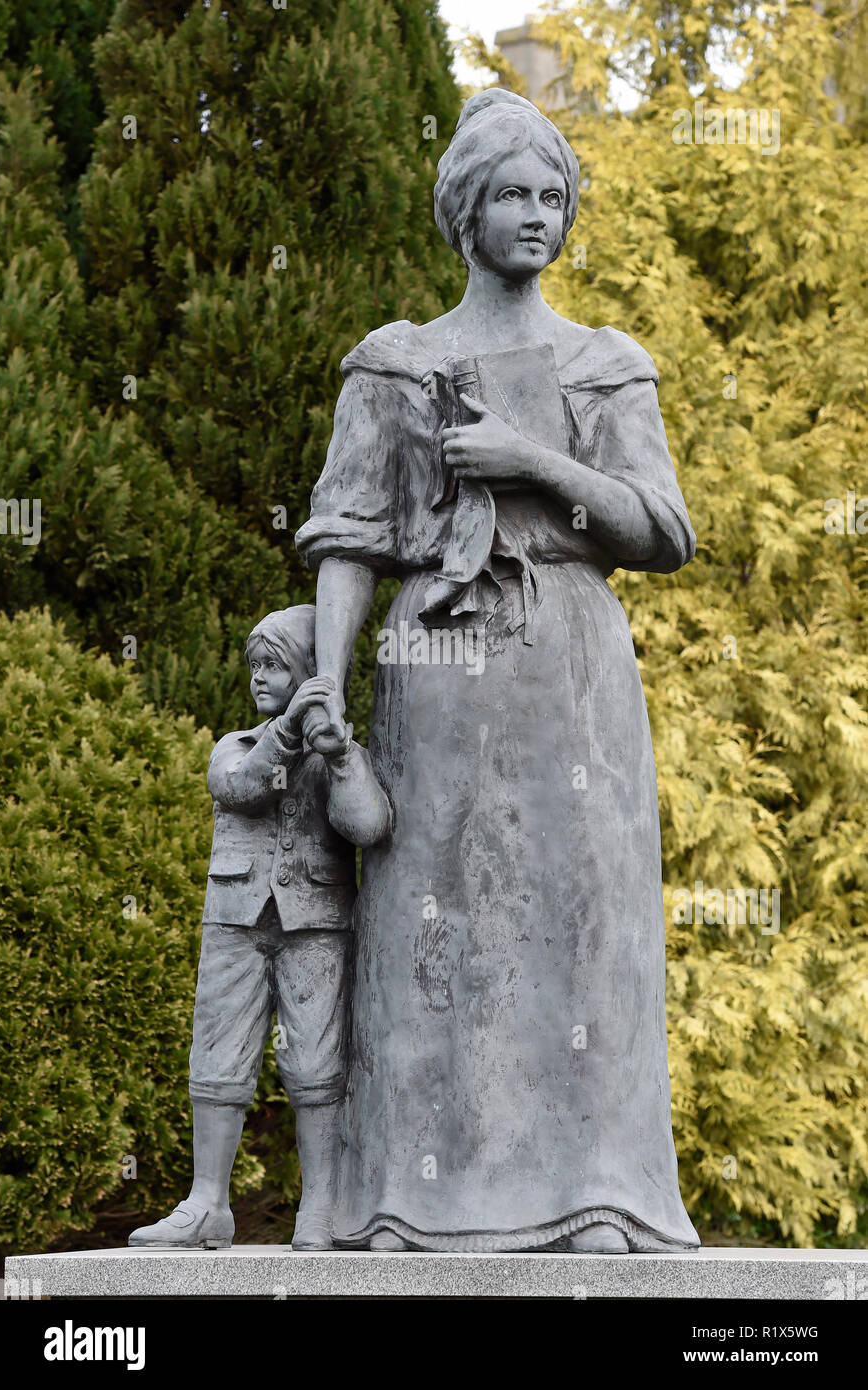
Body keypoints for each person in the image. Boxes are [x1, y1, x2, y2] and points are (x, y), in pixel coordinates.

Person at [294, 90, 700, 1253]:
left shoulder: (605, 360)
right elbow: (348, 536)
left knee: (581, 927)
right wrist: (328, 703)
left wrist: (530, 459)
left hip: (571, 669)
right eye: (513, 196)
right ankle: (408, 1203)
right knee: (435, 926)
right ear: (464, 212)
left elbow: (661, 531)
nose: (537, 215)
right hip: (435, 667)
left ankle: (600, 1196)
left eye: (553, 197)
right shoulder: (394, 362)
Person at [128, 606, 391, 1252]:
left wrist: (340, 759)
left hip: (315, 923)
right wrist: (290, 733)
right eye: (255, 667)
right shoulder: (240, 746)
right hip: (235, 922)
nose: (259, 679)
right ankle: (207, 1202)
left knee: (315, 1062)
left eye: (275, 666)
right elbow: (239, 787)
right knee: (218, 1057)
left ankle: (320, 1207)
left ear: (308, 672)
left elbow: (369, 826)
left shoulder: (342, 754)